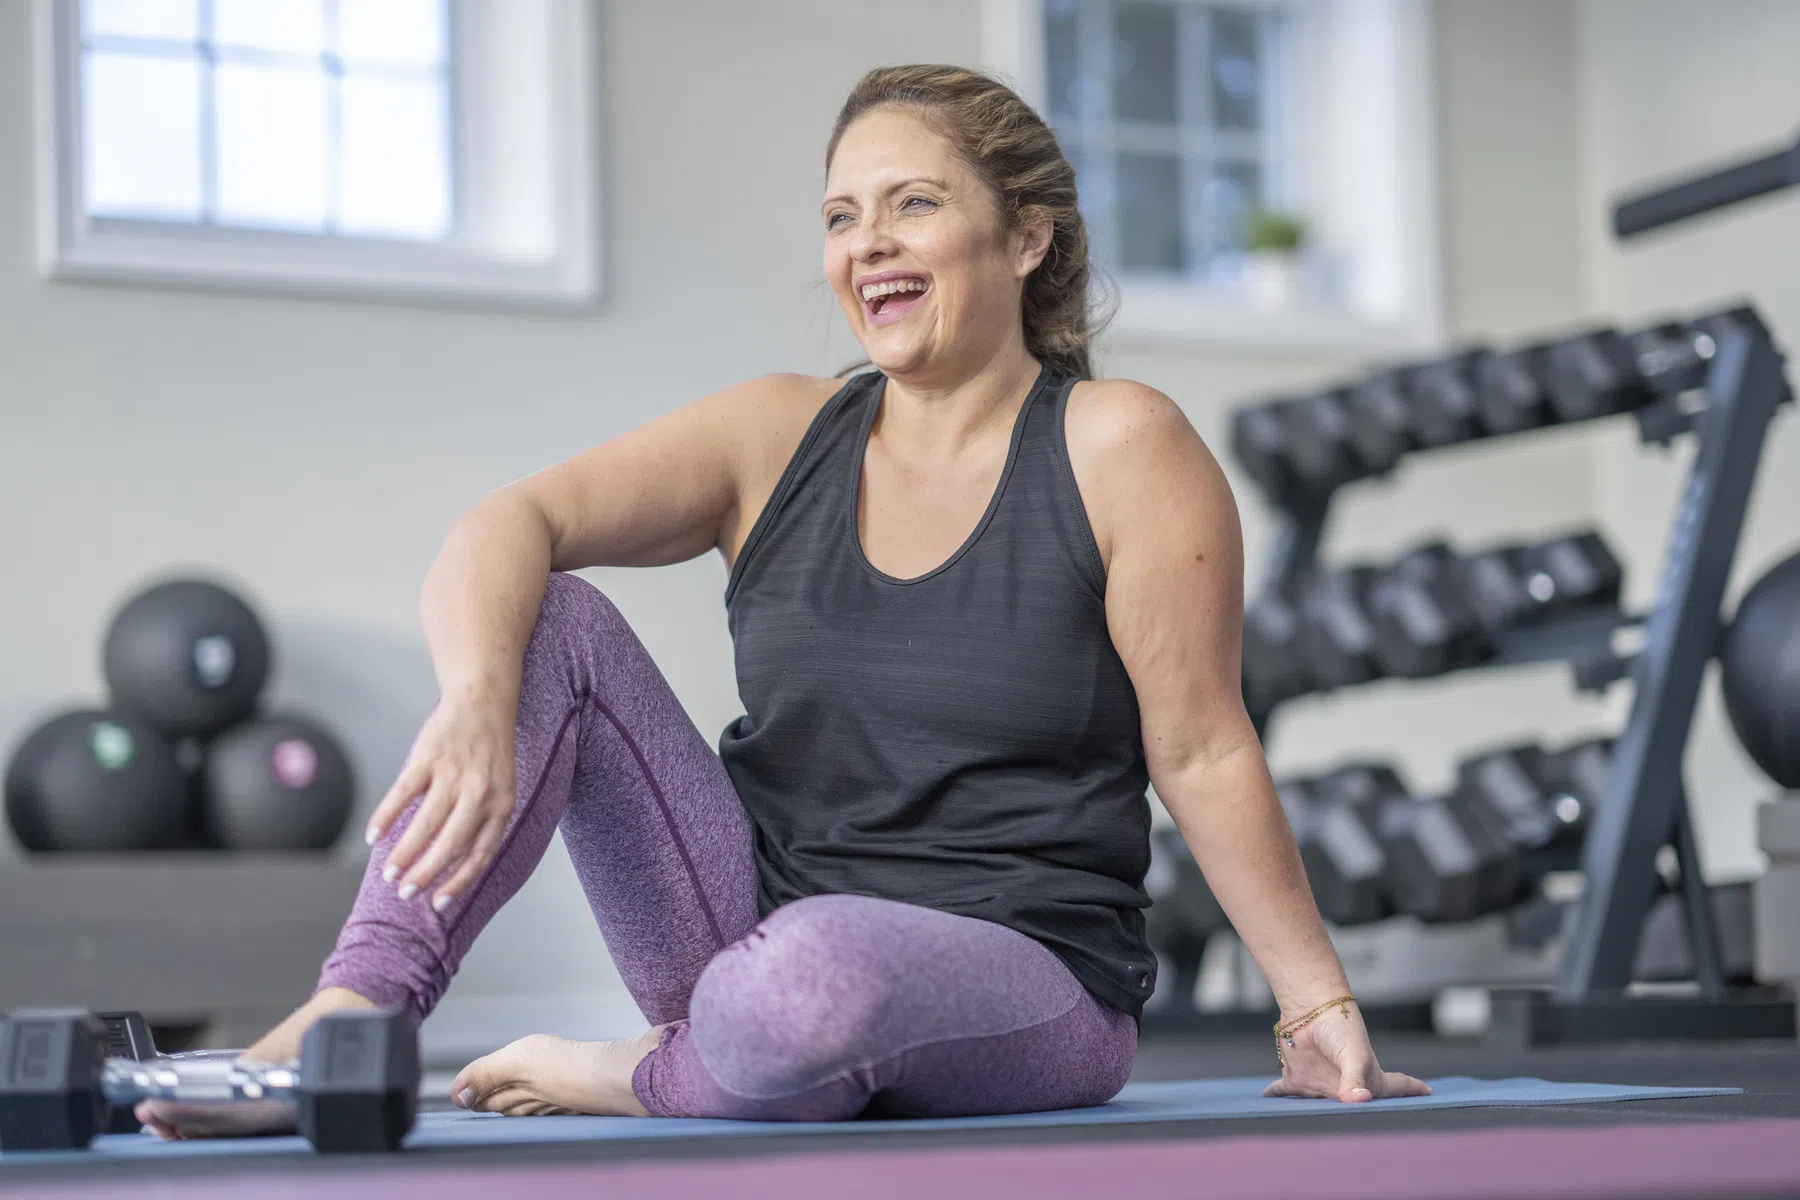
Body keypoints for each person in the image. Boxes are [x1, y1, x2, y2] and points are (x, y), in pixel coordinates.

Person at [138, 64, 1425, 1138]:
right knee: (555, 620)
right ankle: (351, 1023)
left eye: (912, 206)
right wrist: (479, 699)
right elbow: (505, 524)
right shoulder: (778, 433)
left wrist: (1315, 1010)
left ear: (1026, 236)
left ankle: (645, 1075)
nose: (867, 245)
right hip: (748, 936)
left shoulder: (1120, 444)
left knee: (811, 980)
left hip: (1025, 981)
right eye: (840, 216)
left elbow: (1200, 742)